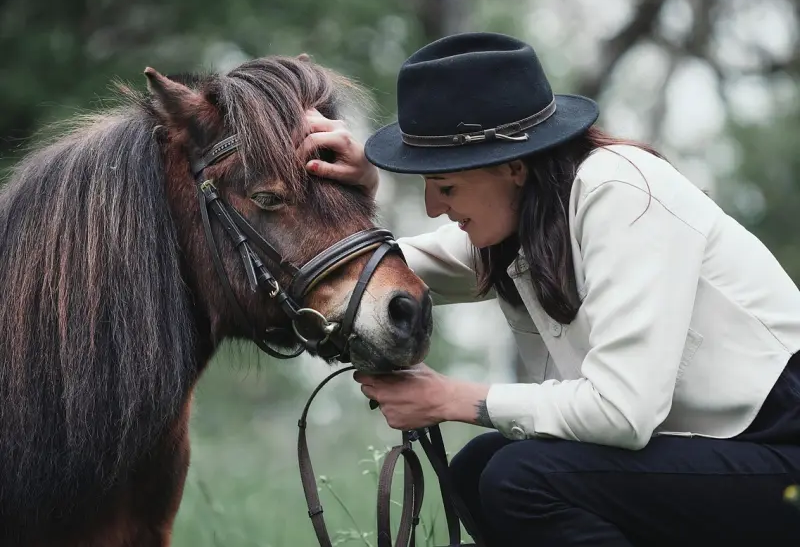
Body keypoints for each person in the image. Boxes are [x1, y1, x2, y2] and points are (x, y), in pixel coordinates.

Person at [300, 31, 800, 546]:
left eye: (445, 185)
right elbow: (379, 272)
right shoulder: (523, 221)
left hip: (783, 450)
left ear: (514, 167)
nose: (432, 207)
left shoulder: (619, 193)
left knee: (520, 478)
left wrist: (449, 398)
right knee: (477, 468)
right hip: (725, 455)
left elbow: (621, 413)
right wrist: (354, 195)